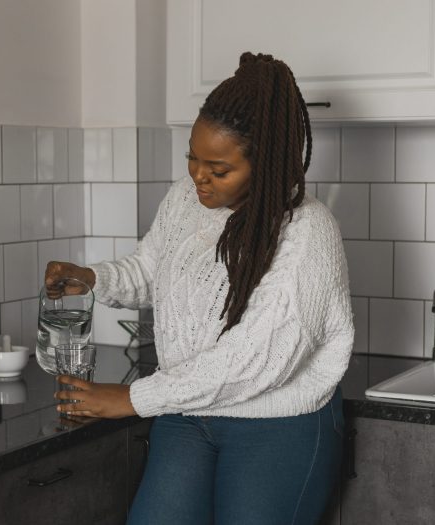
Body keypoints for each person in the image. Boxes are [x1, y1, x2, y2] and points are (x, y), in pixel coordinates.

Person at [48, 52, 354, 525]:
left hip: (275, 426)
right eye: (192, 157)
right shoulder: (186, 200)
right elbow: (154, 268)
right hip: (188, 415)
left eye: (218, 168)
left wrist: (130, 399)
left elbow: (256, 355)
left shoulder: (308, 232)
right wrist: (93, 278)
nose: (197, 177)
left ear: (265, 162)